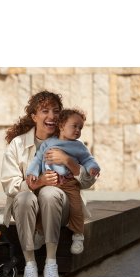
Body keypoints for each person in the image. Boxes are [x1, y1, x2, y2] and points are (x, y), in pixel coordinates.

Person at [1, 91, 96, 277]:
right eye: (45, 111)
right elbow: (9, 184)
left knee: (50, 193)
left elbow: (88, 182)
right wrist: (36, 182)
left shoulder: (72, 142)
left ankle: (51, 263)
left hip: (60, 207)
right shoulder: (17, 144)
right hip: (27, 209)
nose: (51, 116)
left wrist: (68, 161)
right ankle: (29, 264)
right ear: (34, 116)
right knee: (24, 198)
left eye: (56, 111)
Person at [26, 108, 100, 255]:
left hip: (69, 183)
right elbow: (38, 159)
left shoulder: (79, 146)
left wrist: (93, 168)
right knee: (42, 203)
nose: (78, 130)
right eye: (74, 126)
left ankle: (78, 235)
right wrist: (32, 173)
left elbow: (88, 159)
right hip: (49, 181)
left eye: (80, 128)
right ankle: (40, 232)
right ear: (61, 126)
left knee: (76, 208)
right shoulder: (48, 143)